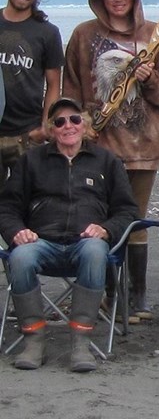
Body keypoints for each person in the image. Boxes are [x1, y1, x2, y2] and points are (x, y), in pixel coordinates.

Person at [63, 0, 159, 321]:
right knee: (100, 220)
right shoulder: (83, 35)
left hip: (144, 147)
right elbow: (70, 88)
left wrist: (150, 79)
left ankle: (138, 296)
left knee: (136, 220)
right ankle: (110, 294)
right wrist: (77, 125)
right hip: (98, 147)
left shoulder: (153, 36)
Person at [0, 97, 139, 372]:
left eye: (75, 119)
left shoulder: (107, 161)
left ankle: (81, 342)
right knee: (20, 257)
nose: (68, 126)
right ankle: (34, 339)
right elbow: (6, 207)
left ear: (85, 124)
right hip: (41, 241)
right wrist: (17, 231)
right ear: (51, 129)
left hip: (85, 243)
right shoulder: (31, 161)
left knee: (94, 250)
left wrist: (107, 229)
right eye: (60, 121)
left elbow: (127, 210)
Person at [0, 0, 64, 189]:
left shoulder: (47, 33)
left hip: (27, 133)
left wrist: (45, 126)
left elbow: (54, 84)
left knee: (28, 204)